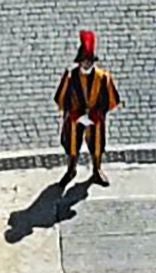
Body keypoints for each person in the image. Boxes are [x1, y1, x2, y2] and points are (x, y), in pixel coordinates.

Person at [56, 30, 122, 186]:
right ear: (79, 61)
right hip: (75, 119)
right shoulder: (71, 77)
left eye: (90, 60)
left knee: (97, 145)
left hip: (95, 119)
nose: (87, 63)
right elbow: (62, 99)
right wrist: (76, 115)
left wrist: (96, 115)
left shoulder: (103, 77)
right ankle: (71, 169)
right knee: (72, 145)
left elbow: (109, 100)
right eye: (85, 60)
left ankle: (97, 170)